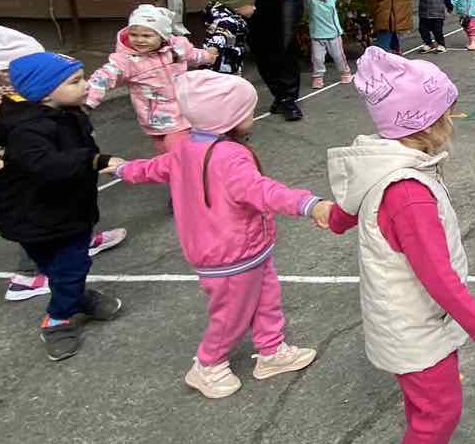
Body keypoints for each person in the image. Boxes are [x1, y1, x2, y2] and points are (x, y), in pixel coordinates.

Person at [326, 48, 475, 444]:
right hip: (414, 323)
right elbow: (436, 274)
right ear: (423, 125)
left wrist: (331, 216)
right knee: (441, 406)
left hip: (418, 320)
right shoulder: (408, 192)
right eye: (446, 114)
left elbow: (347, 207)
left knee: (428, 401)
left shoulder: (390, 165)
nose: (452, 120)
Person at [109, 71, 327, 399]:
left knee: (266, 299)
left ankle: (271, 350)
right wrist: (309, 204)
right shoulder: (229, 157)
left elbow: (153, 169)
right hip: (229, 254)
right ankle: (207, 365)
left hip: (247, 248)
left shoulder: (186, 148)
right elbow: (262, 191)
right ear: (229, 119)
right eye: (247, 112)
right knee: (230, 315)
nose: (251, 117)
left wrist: (122, 168)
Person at [0, 26, 125, 301]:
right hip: (31, 188)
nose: (85, 85)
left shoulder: (39, 99)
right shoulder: (11, 106)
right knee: (38, 229)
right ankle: (27, 278)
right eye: (75, 81)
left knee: (63, 212)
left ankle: (79, 241)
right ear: (7, 72)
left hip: (58, 185)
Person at [0, 53, 125, 361]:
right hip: (37, 215)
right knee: (69, 267)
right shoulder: (27, 130)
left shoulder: (67, 112)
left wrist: (93, 161)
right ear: (45, 92)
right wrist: (95, 161)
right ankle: (57, 320)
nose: (86, 85)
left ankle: (75, 296)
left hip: (68, 208)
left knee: (65, 269)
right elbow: (47, 165)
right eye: (75, 81)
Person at [84, 4, 217, 154]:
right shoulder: (128, 61)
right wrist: (86, 100)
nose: (139, 40)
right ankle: (174, 165)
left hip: (186, 106)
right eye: (133, 35)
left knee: (181, 148)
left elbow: (192, 54)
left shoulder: (176, 48)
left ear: (162, 36)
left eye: (147, 36)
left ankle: (184, 164)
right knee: (167, 149)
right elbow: (104, 77)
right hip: (158, 116)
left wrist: (207, 56)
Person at [306, 0, 352, 88]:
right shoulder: (310, 1)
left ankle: (345, 72)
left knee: (338, 56)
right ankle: (318, 77)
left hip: (333, 36)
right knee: (317, 58)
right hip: (317, 37)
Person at [205, 0, 256, 77]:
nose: (254, 8)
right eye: (251, 4)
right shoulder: (228, 22)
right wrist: (212, 50)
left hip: (226, 64)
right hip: (224, 68)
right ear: (237, 6)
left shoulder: (222, 15)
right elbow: (219, 36)